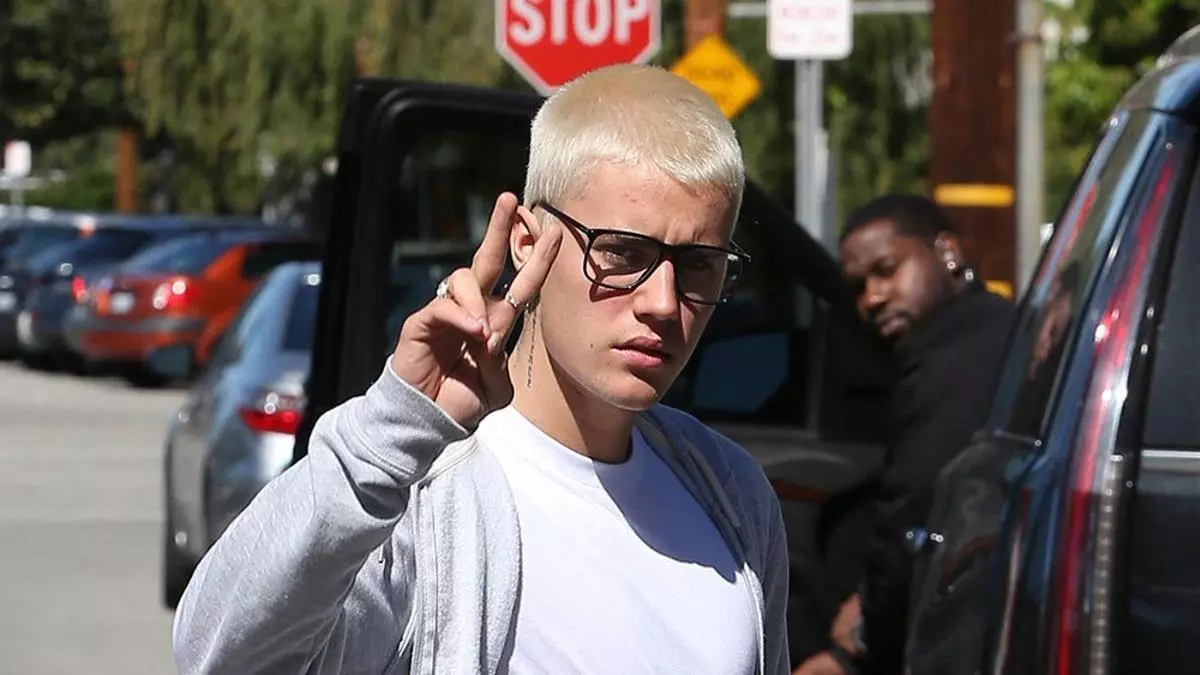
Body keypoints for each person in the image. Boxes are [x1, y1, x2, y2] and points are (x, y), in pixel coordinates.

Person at [172, 64, 791, 675]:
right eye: (622, 253)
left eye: (698, 264)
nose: (662, 302)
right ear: (528, 241)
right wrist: (390, 428)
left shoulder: (730, 494)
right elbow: (220, 657)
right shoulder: (427, 499)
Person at [795, 194, 1016, 675]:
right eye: (859, 287)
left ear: (948, 253)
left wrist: (862, 640)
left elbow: (913, 513)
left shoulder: (954, 365)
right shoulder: (989, 327)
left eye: (887, 270)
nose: (872, 298)